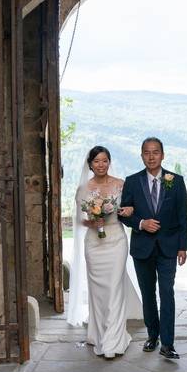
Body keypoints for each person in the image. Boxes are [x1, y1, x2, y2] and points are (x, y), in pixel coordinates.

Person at [65, 146, 141, 359]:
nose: (101, 164)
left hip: (116, 241)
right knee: (98, 292)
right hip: (94, 244)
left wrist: (129, 210)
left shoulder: (120, 184)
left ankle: (113, 341)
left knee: (115, 288)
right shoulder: (83, 189)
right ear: (90, 164)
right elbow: (79, 220)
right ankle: (99, 334)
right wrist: (92, 221)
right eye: (97, 161)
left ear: (109, 162)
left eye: (105, 160)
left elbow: (130, 208)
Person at [119, 137, 187, 359]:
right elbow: (124, 213)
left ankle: (167, 344)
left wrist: (182, 247)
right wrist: (141, 223)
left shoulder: (175, 181)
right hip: (143, 248)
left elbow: (182, 215)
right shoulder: (131, 181)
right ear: (141, 156)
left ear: (162, 155)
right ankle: (152, 335)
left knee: (166, 293)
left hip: (169, 248)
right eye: (147, 153)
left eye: (155, 152)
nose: (151, 156)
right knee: (148, 294)